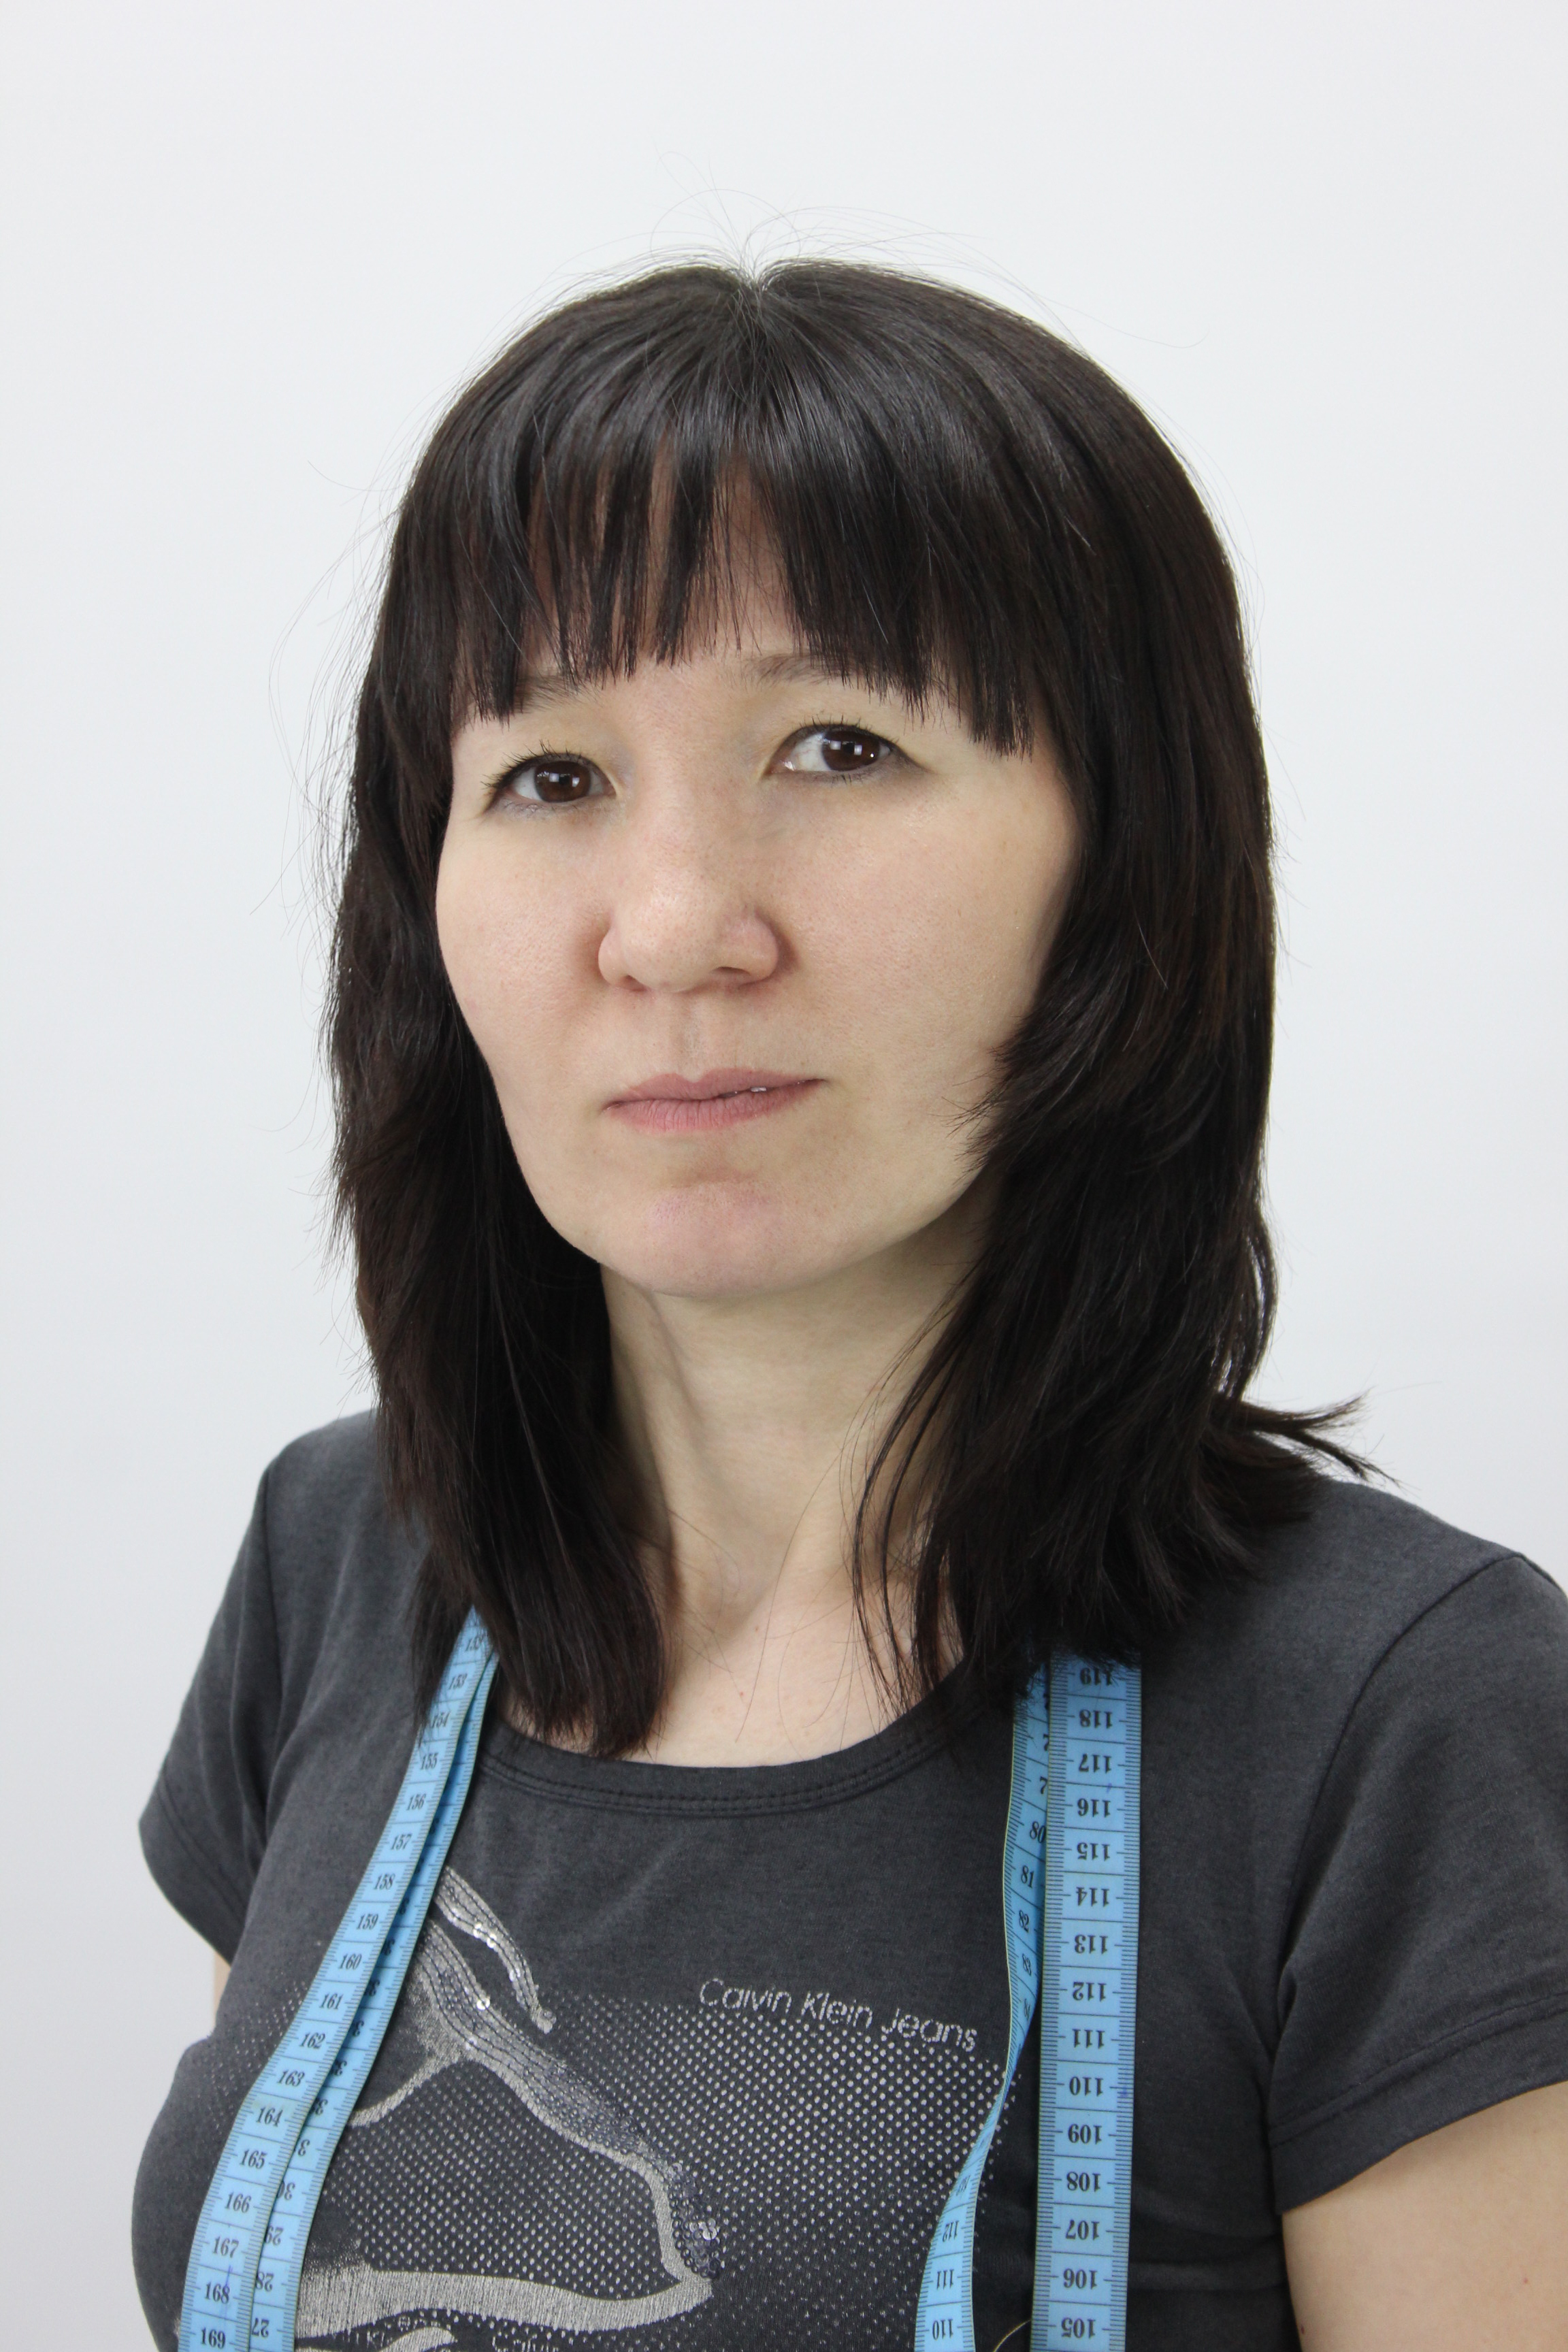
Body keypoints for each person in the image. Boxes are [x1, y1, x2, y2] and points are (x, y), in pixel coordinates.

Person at [133, 260, 1568, 2352]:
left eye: (836, 744)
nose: (674, 927)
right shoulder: (337, 1563)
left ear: (1122, 868)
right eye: (551, 775)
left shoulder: (1399, 1718)